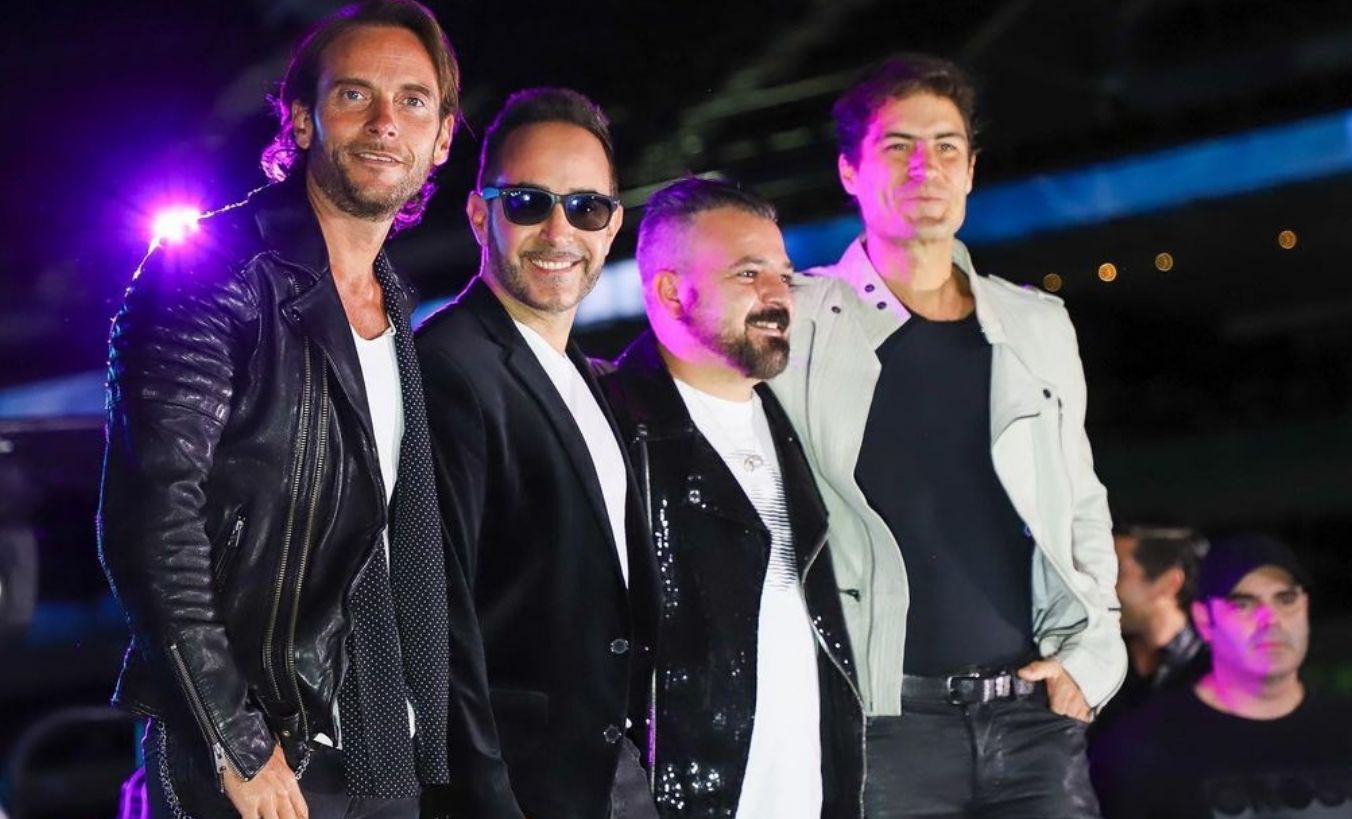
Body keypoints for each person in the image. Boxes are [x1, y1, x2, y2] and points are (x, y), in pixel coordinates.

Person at [97, 2, 463, 817]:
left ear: (441, 138)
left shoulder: (394, 299)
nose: (384, 122)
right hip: (264, 753)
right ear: (302, 120)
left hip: (381, 749)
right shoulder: (214, 272)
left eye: (412, 101)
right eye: (354, 95)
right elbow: (151, 525)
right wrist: (234, 738)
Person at [770, 53, 1123, 817]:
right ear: (849, 170)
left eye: (946, 147)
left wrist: (1092, 659)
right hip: (882, 724)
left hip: (1032, 715)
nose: (924, 166)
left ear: (970, 170)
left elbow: (1082, 507)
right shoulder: (797, 321)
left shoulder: (1036, 324)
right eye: (897, 146)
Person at [417, 88, 658, 819]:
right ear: (478, 213)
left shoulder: (585, 375)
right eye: (527, 202)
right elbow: (436, 624)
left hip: (610, 773)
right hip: (519, 788)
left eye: (586, 207)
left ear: (611, 227)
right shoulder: (446, 365)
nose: (559, 230)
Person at [599, 178, 863, 817]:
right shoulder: (608, 428)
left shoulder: (792, 423)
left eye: (783, 275)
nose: (777, 296)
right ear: (670, 291)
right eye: (748, 274)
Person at [1090, 532, 1352, 818]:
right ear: (1204, 620)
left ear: (1304, 607)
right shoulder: (1140, 747)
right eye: (1243, 604)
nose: (1270, 619)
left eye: (1285, 599)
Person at [1092, 524, 1210, 734]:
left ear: (1169, 583)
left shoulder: (1215, 669)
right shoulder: (1096, 654)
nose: (1098, 586)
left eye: (1116, 571)